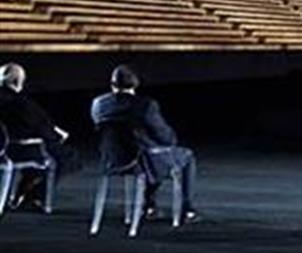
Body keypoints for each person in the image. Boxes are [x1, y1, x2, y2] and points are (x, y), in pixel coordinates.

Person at [90, 65, 199, 223]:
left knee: (153, 154)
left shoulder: (98, 104)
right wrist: (169, 141)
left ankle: (149, 206)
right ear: (135, 84)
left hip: (111, 160)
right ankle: (187, 210)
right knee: (185, 157)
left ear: (112, 85)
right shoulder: (145, 105)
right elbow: (165, 136)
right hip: (142, 161)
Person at [0, 63, 79, 211]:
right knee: (67, 156)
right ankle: (35, 196)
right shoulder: (22, 103)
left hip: (4, 148)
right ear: (19, 82)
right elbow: (43, 128)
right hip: (18, 150)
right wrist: (58, 135)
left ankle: (23, 193)